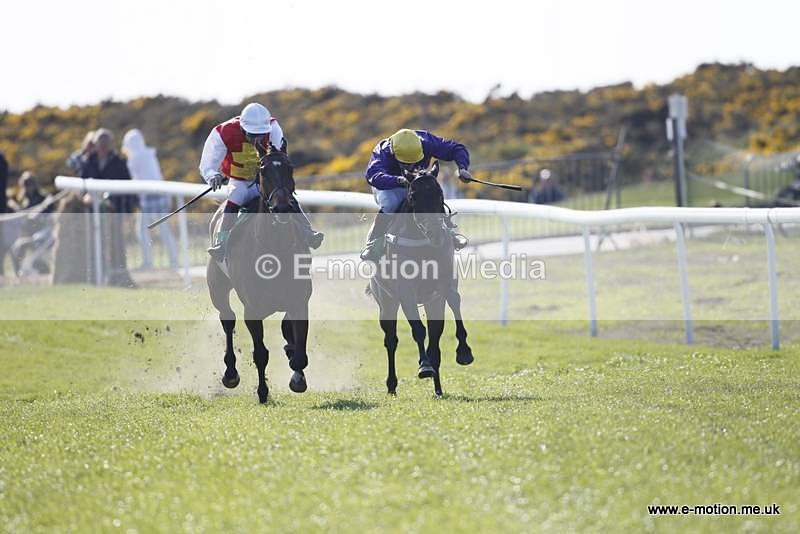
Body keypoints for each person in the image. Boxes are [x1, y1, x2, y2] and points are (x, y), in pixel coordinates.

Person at [199, 102, 324, 260]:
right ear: (243, 128)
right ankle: (221, 243)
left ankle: (308, 233)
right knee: (235, 197)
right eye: (253, 135)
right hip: (240, 181)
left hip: (265, 180)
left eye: (261, 134)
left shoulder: (273, 128)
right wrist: (212, 175)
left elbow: (278, 156)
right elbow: (208, 163)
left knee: (286, 197)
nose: (257, 139)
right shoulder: (222, 132)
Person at [360, 128, 473, 262]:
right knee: (391, 203)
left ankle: (449, 232)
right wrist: (399, 180)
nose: (412, 165)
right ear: (394, 154)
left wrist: (462, 167)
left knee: (430, 193)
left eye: (415, 161)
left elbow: (456, 148)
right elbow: (373, 176)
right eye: (407, 163)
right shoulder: (383, 152)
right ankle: (373, 242)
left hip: (417, 180)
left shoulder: (426, 142)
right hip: (387, 183)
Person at [81, 128, 136, 287]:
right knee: (93, 246)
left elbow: (128, 188)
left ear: (111, 144)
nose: (103, 147)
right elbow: (83, 185)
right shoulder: (88, 161)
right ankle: (94, 277)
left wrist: (128, 213)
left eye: (106, 143)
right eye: (100, 143)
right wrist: (86, 196)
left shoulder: (119, 162)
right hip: (92, 214)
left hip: (114, 213)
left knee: (116, 246)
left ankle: (118, 276)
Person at [122, 128, 178, 268]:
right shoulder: (148, 155)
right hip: (157, 196)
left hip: (149, 198)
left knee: (147, 230)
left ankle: (153, 261)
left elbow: (136, 180)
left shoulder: (135, 159)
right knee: (157, 230)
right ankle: (170, 260)